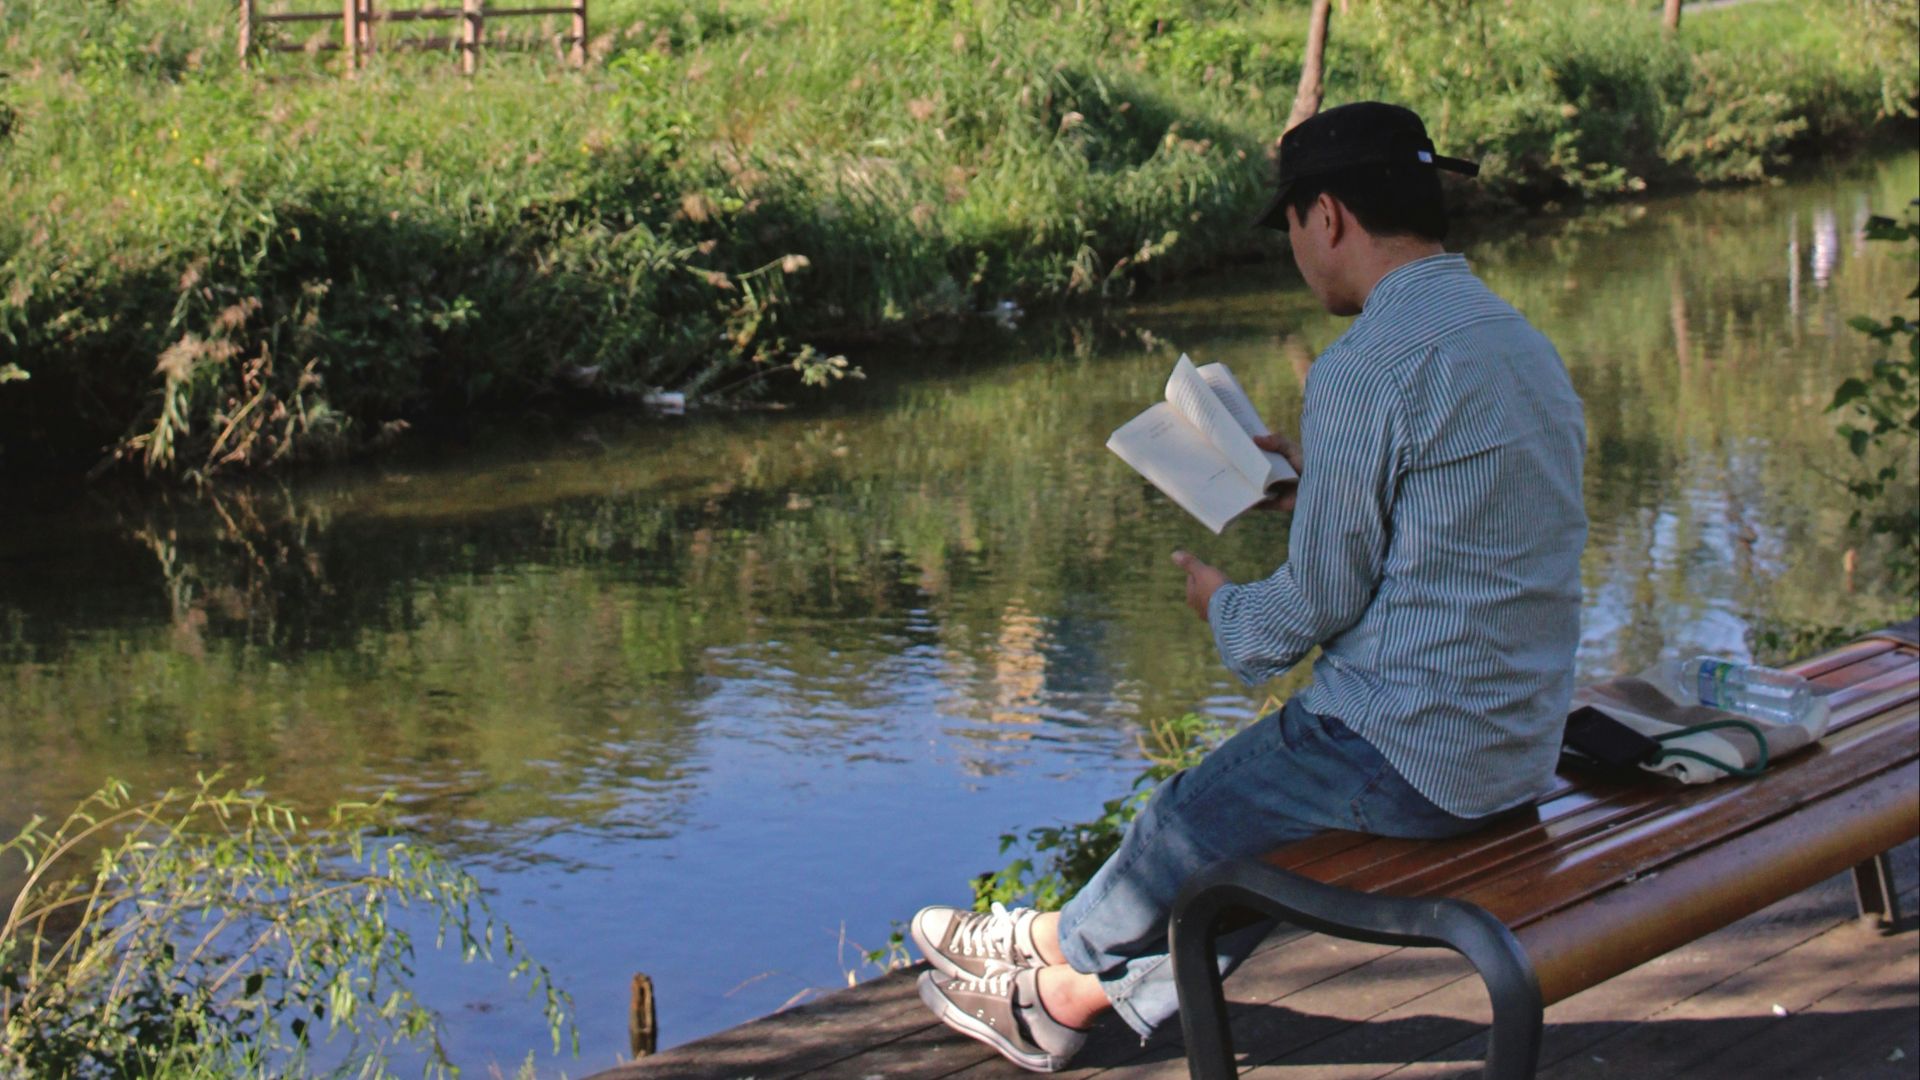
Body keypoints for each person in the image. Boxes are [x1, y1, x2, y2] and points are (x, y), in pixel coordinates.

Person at [907, 101, 1589, 1072]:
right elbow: (1469, 516)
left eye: (1293, 230)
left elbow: (1312, 609)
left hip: (1414, 752)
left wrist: (1221, 605)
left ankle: (1042, 957)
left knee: (1183, 823)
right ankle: (1058, 993)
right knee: (1240, 841)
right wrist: (1310, 493)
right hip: (1516, 746)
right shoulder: (1515, 341)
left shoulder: (1368, 367)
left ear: (1328, 218)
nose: (1298, 253)